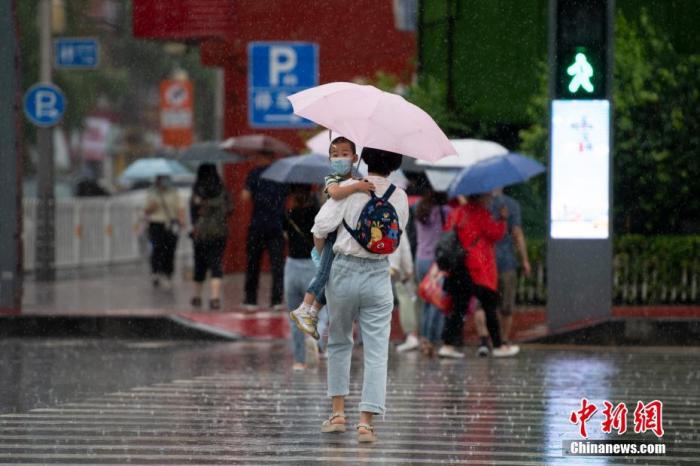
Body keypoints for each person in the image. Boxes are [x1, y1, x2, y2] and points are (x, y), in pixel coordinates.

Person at [311, 147, 409, 444]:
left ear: (364, 159)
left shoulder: (349, 190)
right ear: (395, 164)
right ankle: (366, 423)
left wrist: (320, 254)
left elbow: (320, 227)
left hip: (343, 271)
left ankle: (338, 414)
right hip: (379, 274)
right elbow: (396, 233)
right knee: (377, 350)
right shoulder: (400, 196)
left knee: (340, 341)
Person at [289, 137, 375, 339]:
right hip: (331, 237)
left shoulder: (357, 180)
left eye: (344, 155)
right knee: (323, 274)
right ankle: (304, 307)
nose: (339, 159)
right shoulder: (332, 179)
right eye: (334, 155)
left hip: (344, 238)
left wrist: (357, 185)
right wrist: (357, 187)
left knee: (330, 280)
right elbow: (336, 194)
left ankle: (312, 312)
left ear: (355, 158)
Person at [439, 193, 519, 359]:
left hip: (458, 267)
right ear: (479, 197)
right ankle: (498, 345)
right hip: (478, 268)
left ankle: (447, 345)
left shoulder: (456, 212)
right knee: (490, 307)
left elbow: (447, 233)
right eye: (487, 197)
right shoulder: (481, 213)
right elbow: (495, 234)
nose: (489, 199)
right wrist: (503, 220)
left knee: (458, 309)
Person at [241, 152, 288, 310]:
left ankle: (250, 300)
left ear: (262, 157)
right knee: (277, 266)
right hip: (277, 226)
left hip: (257, 225)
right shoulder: (282, 174)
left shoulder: (254, 174)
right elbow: (288, 196)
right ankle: (276, 300)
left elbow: (245, 197)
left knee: (253, 264)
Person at [282, 185, 322, 370]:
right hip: (312, 266)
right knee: (318, 310)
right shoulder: (318, 213)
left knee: (294, 315)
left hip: (292, 266)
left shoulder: (288, 214)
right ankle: (316, 340)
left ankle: (299, 360)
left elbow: (284, 236)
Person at [413, 189, 452, 356]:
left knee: (427, 301)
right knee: (436, 301)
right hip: (436, 262)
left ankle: (424, 339)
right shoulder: (445, 211)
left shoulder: (418, 209)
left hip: (420, 260)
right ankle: (431, 339)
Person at [491, 188, 531, 345]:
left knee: (486, 305)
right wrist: (525, 260)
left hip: (485, 262)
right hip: (507, 261)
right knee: (506, 305)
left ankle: (485, 339)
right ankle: (503, 340)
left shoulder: (479, 204)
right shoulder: (512, 205)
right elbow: (517, 233)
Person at [190, 164, 233, 311]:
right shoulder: (221, 189)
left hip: (201, 234)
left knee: (199, 264)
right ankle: (214, 298)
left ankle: (197, 296)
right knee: (216, 264)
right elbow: (229, 209)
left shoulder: (197, 191)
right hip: (219, 232)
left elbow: (193, 214)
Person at [143, 174, 184, 289]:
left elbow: (180, 207)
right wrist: (152, 207)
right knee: (157, 248)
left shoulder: (173, 192)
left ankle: (168, 273)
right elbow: (146, 210)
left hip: (171, 224)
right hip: (156, 224)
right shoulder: (152, 192)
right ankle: (155, 272)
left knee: (170, 250)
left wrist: (181, 220)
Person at [392, 228, 418, 353]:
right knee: (406, 300)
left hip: (393, 270)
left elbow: (403, 247)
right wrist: (408, 268)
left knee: (405, 300)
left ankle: (411, 335)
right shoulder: (399, 222)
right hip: (398, 270)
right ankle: (411, 335)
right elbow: (405, 248)